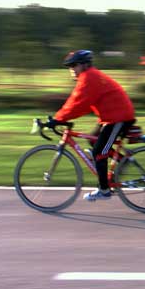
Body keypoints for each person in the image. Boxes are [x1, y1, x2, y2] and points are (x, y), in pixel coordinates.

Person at [47, 50, 136, 201]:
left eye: (74, 66)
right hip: (112, 117)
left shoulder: (89, 78)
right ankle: (123, 161)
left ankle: (104, 190)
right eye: (70, 67)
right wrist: (60, 118)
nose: (71, 70)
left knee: (99, 152)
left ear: (83, 65)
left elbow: (78, 103)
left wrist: (58, 119)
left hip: (118, 118)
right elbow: (80, 104)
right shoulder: (88, 77)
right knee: (94, 140)